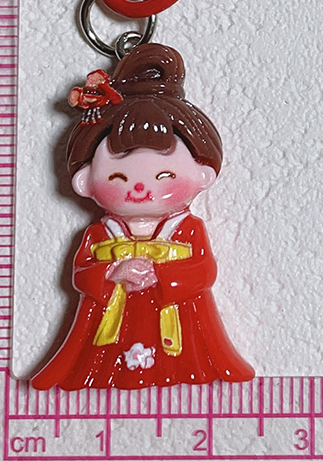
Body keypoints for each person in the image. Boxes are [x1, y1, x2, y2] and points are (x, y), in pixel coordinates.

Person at [31, 43, 254, 389]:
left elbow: (204, 271)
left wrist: (161, 275)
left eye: (165, 176)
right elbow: (81, 275)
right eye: (118, 177)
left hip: (176, 315)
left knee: (185, 359)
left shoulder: (187, 229)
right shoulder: (99, 234)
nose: (140, 188)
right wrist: (112, 272)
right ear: (85, 181)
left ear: (202, 174)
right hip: (111, 319)